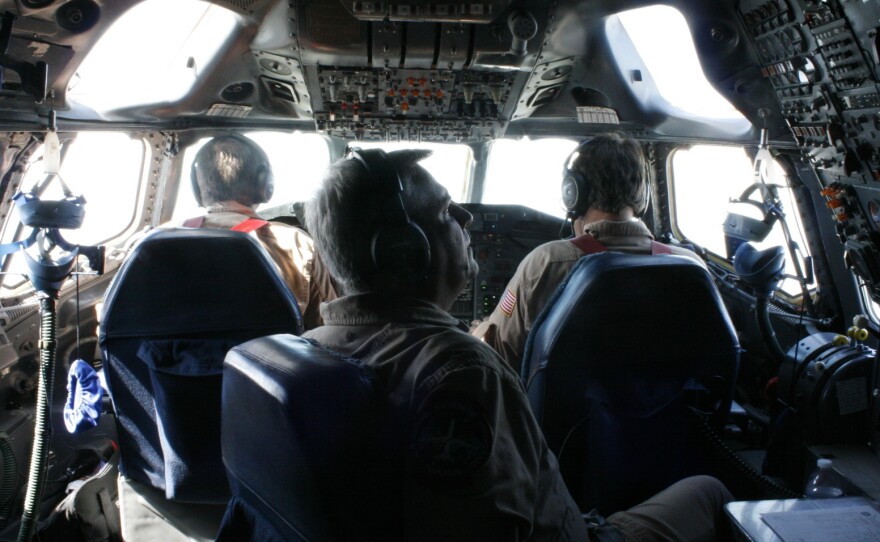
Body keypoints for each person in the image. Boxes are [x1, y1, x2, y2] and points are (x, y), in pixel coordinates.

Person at [302, 147, 731, 541]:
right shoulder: (463, 372)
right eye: (446, 211)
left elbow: (501, 345)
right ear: (404, 250)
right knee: (712, 490)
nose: (466, 218)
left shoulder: (307, 350)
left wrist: (473, 334)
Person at [474, 133, 705, 374]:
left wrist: (479, 330)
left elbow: (497, 354)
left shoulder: (548, 262)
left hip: (562, 412)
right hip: (667, 410)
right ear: (643, 193)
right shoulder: (690, 266)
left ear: (572, 193)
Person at [186, 133, 336, 329]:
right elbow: (331, 323)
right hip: (265, 359)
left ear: (197, 188)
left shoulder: (151, 242)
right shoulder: (294, 243)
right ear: (265, 185)